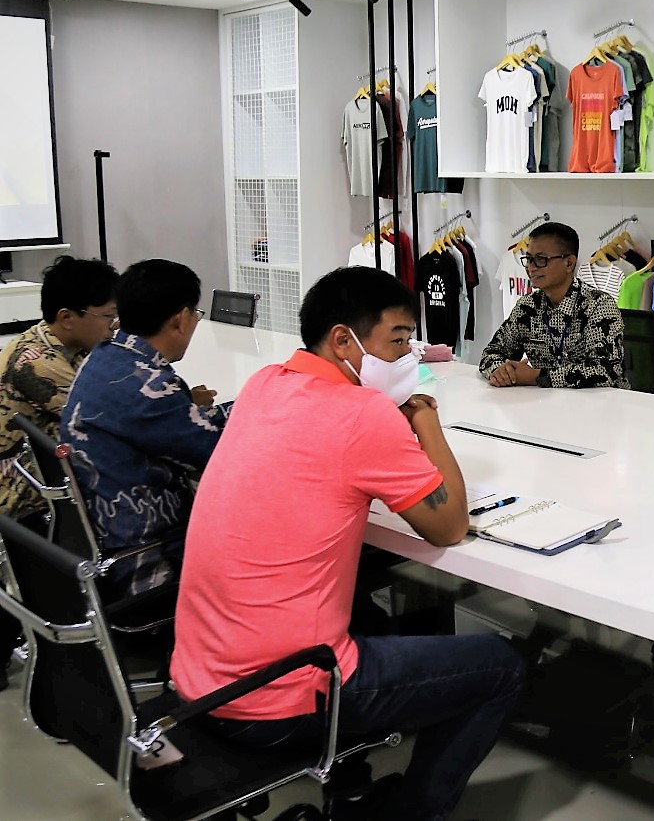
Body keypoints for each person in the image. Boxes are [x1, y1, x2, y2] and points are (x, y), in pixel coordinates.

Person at [170, 266, 523, 821]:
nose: (408, 358)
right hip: (277, 695)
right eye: (399, 342)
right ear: (343, 340)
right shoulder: (363, 413)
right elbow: (449, 525)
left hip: (199, 678)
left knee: (365, 605)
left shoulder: (265, 383)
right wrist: (425, 422)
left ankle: (351, 786)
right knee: (499, 665)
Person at [59, 259, 229, 596]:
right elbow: (220, 456)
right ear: (180, 319)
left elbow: (190, 425)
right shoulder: (146, 385)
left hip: (112, 538)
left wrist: (247, 405)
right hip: (150, 560)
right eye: (196, 315)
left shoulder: (106, 357)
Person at [0, 255, 118, 689]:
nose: (114, 326)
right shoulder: (36, 363)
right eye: (107, 316)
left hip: (39, 470)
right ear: (67, 318)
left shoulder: (68, 346)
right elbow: (104, 418)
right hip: (16, 483)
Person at [479, 221, 627, 389]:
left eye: (541, 260)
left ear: (569, 263)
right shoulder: (527, 307)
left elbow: (606, 370)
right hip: (544, 402)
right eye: (529, 259)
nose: (531, 268)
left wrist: (538, 377)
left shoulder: (598, 306)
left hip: (602, 403)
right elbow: (491, 353)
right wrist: (501, 371)